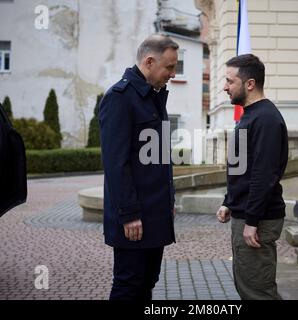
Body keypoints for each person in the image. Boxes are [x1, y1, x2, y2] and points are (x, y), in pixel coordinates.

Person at [99, 35, 178, 300]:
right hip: (134, 217)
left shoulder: (152, 97)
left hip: (154, 213)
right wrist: (129, 213)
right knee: (128, 284)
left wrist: (169, 200)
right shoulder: (119, 98)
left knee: (147, 282)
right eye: (169, 67)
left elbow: (158, 158)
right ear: (149, 61)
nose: (173, 73)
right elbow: (116, 163)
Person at [216, 54, 289, 300]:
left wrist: (252, 221)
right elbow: (241, 168)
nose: (225, 87)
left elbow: (264, 175)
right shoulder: (250, 114)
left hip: (257, 219)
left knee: (258, 292)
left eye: (229, 81)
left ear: (249, 84)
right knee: (248, 287)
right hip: (245, 213)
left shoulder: (266, 118)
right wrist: (229, 201)